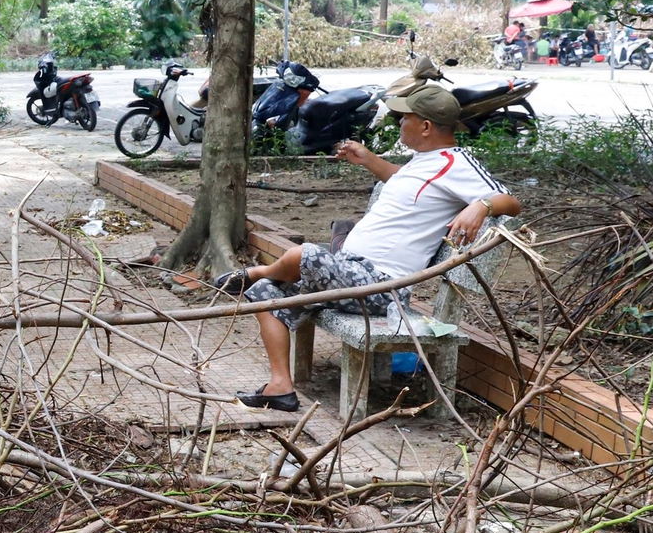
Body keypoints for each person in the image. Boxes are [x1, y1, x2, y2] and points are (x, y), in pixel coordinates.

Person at [209, 83, 523, 411]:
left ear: (426, 126)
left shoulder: (457, 163)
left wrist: (482, 206)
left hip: (382, 287)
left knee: (303, 255)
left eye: (404, 118)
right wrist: (370, 160)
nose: (398, 123)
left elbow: (511, 202)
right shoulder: (424, 160)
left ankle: (259, 269)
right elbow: (407, 184)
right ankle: (280, 388)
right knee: (264, 293)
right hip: (352, 273)